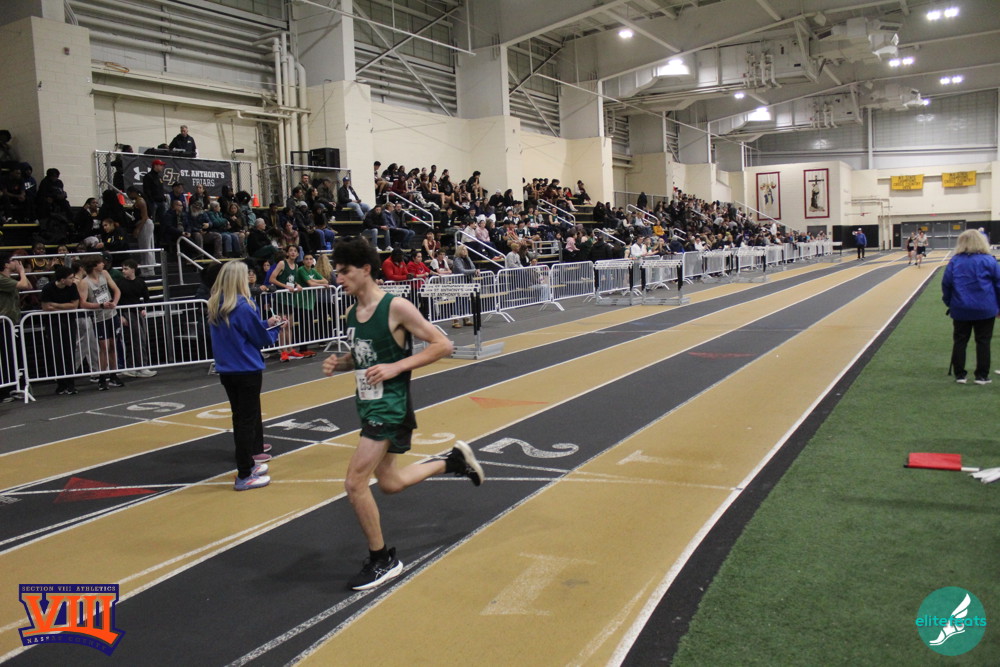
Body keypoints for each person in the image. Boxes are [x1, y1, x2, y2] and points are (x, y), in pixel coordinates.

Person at [322, 238, 483, 590]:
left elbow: (443, 344)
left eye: (345, 271)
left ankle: (383, 560)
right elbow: (365, 356)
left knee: (354, 483)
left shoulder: (396, 307)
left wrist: (396, 367)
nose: (339, 278)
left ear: (366, 269)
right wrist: (342, 362)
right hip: (368, 404)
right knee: (390, 483)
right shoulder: (352, 313)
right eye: (337, 272)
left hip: (389, 406)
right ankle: (453, 462)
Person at [208, 261, 286, 491]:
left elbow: (244, 330)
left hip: (227, 369)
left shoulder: (216, 304)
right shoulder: (243, 306)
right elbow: (260, 338)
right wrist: (276, 328)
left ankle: (247, 464)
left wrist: (266, 324)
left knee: (239, 418)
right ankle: (244, 473)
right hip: (246, 368)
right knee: (247, 421)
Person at [942, 229, 1000, 385]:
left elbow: (946, 284)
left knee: (960, 340)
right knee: (983, 341)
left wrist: (949, 302)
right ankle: (982, 376)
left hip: (961, 307)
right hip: (985, 308)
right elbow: (998, 285)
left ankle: (960, 375)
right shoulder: (989, 260)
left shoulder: (955, 261)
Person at [77, 256, 125, 391]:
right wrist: (101, 305)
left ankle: (114, 375)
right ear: (94, 266)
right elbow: (83, 303)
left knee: (113, 345)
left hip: (112, 314)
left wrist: (114, 302)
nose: (103, 264)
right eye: (100, 263)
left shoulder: (104, 274)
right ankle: (102, 376)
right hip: (99, 317)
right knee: (103, 347)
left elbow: (116, 290)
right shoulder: (84, 282)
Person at [40, 264, 80, 395]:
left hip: (69, 322)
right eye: (70, 278)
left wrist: (56, 305)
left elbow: (74, 305)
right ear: (63, 280)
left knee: (69, 352)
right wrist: (65, 306)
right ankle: (61, 384)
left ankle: (71, 383)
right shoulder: (48, 288)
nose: (73, 280)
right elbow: (46, 307)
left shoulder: (72, 287)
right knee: (57, 353)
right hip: (53, 324)